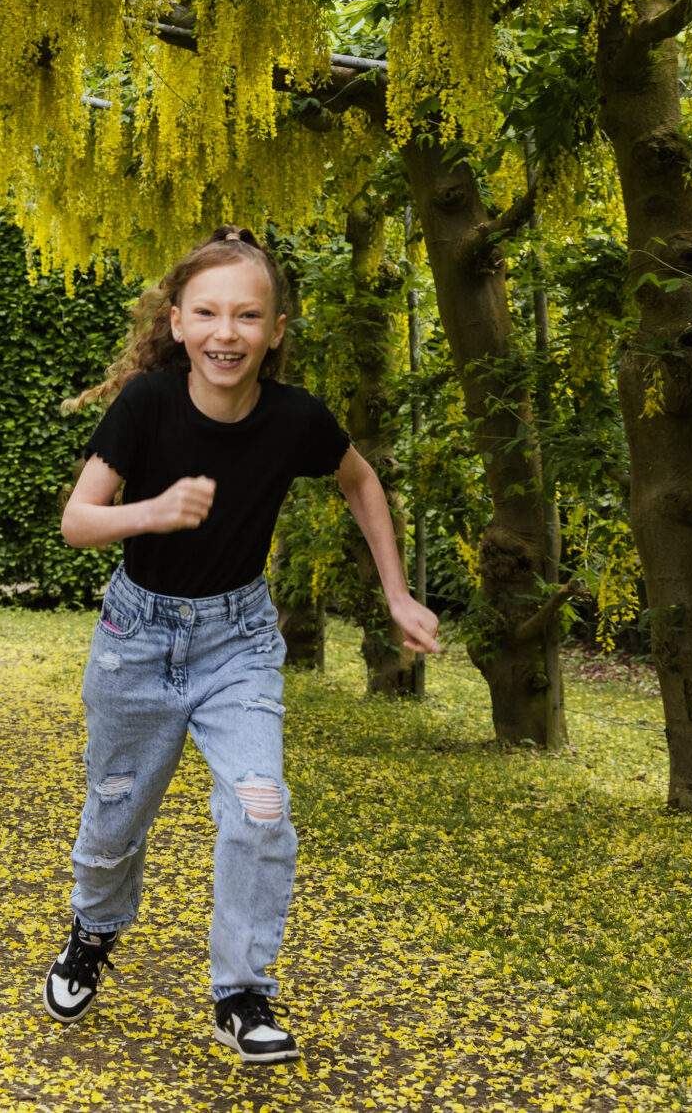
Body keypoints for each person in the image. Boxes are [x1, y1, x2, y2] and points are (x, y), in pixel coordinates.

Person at [38, 226, 439, 1064]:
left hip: (238, 645)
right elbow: (78, 521)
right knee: (114, 821)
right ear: (177, 322)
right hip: (135, 641)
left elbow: (360, 480)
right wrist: (152, 511)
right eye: (209, 313)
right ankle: (94, 929)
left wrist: (398, 592)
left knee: (262, 807)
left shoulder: (296, 419)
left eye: (248, 316)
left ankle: (241, 992)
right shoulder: (147, 403)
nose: (228, 333)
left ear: (277, 330)